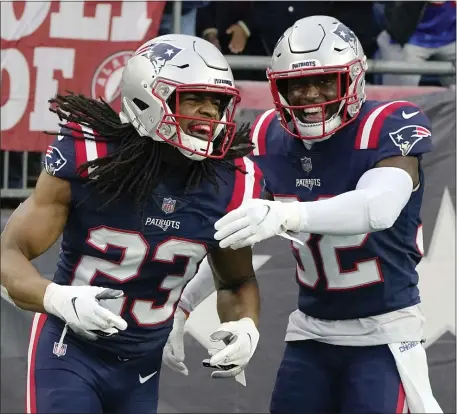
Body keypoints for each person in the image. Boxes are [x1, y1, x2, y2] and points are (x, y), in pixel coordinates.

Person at [163, 17, 443, 414]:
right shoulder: (266, 135)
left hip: (383, 336)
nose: (311, 94)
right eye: (297, 84)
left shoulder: (386, 124)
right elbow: (238, 234)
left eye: (325, 80)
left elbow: (377, 209)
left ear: (354, 79)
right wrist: (184, 303)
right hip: (311, 333)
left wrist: (285, 215)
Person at [0, 34, 264, 414]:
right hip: (70, 352)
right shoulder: (91, 158)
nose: (210, 113)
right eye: (194, 98)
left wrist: (246, 326)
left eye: (218, 101)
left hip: (142, 369)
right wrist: (56, 298)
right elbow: (10, 252)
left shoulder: (230, 182)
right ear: (147, 97)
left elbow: (237, 280)